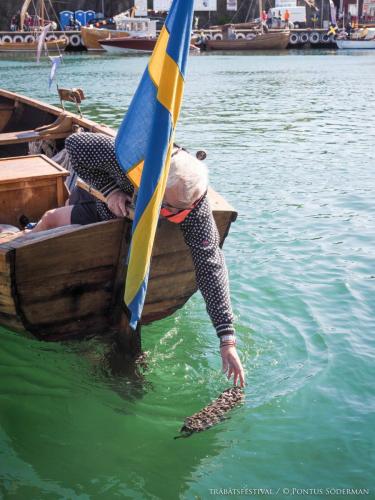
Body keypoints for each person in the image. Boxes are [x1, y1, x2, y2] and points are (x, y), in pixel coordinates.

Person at [33, 132, 245, 387]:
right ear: (153, 183)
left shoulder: (195, 208)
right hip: (108, 205)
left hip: (132, 218)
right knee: (50, 218)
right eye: (165, 207)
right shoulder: (129, 159)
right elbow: (74, 145)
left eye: (178, 211)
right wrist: (111, 191)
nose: (169, 215)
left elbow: (211, 265)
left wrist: (227, 339)